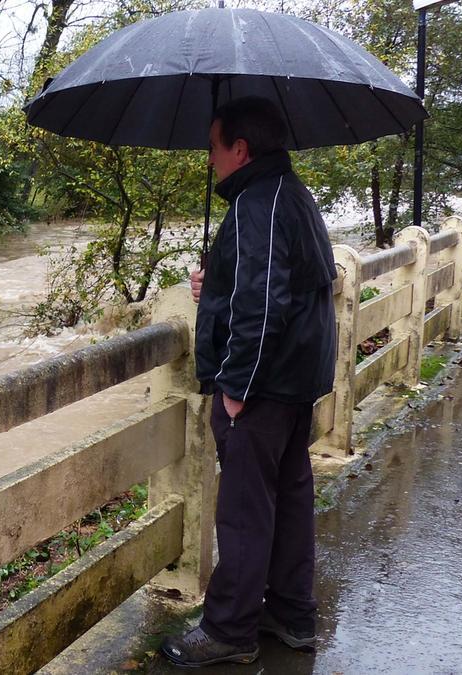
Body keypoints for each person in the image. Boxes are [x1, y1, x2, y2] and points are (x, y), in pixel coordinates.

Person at [159, 96, 337, 668]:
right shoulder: (289, 193)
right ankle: (290, 615)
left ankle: (231, 628)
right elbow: (288, 277)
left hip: (262, 385)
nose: (209, 158)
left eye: (213, 146)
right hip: (296, 378)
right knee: (287, 497)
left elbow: (263, 301)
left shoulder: (257, 202)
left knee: (243, 509)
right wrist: (215, 283)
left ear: (240, 149)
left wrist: (236, 386)